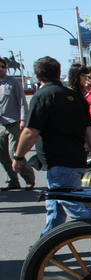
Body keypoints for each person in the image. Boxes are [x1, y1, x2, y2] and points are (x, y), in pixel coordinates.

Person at [12, 57, 91, 237]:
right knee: (55, 209)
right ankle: (44, 246)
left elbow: (30, 132)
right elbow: (89, 130)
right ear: (58, 73)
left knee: (76, 209)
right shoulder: (76, 98)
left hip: (58, 162)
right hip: (74, 159)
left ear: (38, 76)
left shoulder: (43, 96)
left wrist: (18, 156)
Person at [0, 57, 35, 190]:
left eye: (3, 66)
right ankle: (12, 181)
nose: (1, 69)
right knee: (2, 154)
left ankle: (29, 177)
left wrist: (23, 119)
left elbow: (22, 102)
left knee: (14, 152)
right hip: (0, 124)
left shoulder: (13, 83)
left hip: (13, 123)